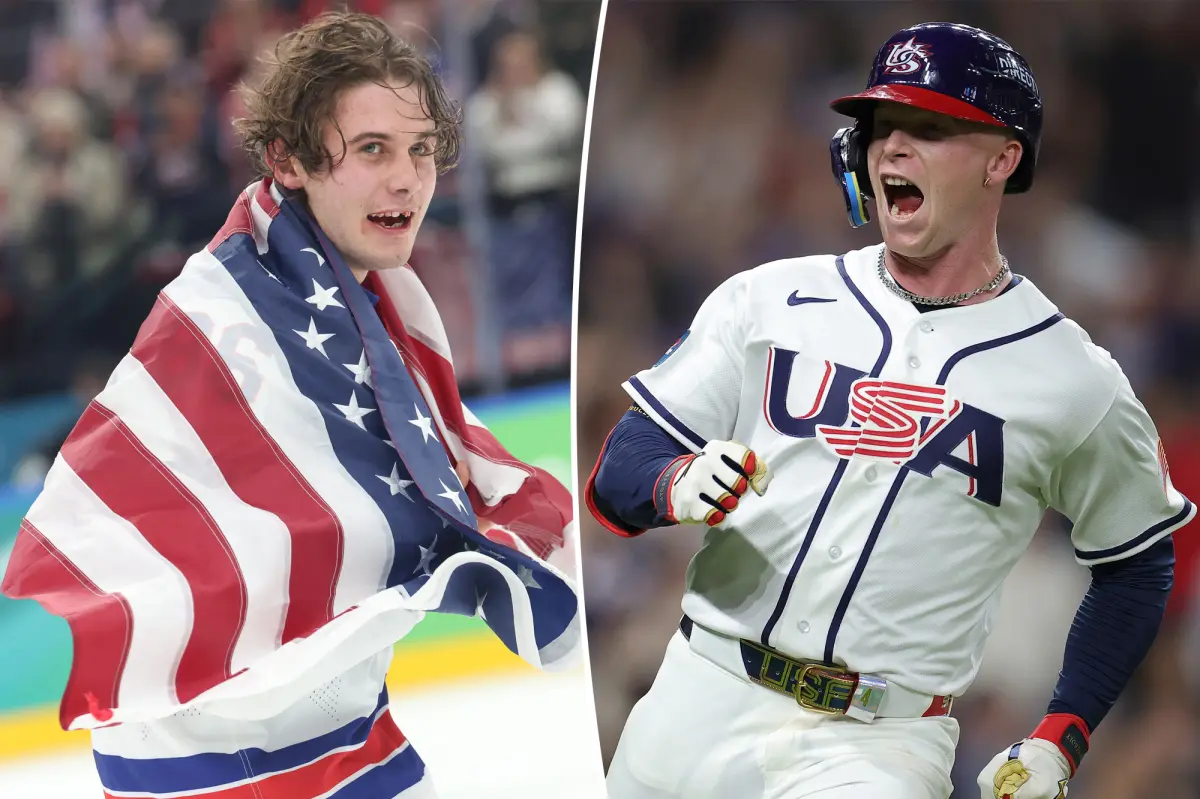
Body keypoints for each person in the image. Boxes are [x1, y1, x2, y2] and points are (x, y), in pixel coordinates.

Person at [585, 22, 1192, 799]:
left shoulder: (1074, 377)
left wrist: (1062, 733)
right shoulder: (768, 297)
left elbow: (1139, 564)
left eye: (930, 128)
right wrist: (674, 481)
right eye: (882, 127)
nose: (894, 150)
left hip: (879, 746)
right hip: (697, 693)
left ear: (1003, 158)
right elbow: (618, 471)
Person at [2, 12, 579, 798]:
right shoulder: (222, 310)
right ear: (289, 158)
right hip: (213, 752)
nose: (407, 179)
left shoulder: (346, 286)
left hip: (326, 730)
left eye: (421, 150)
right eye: (373, 149)